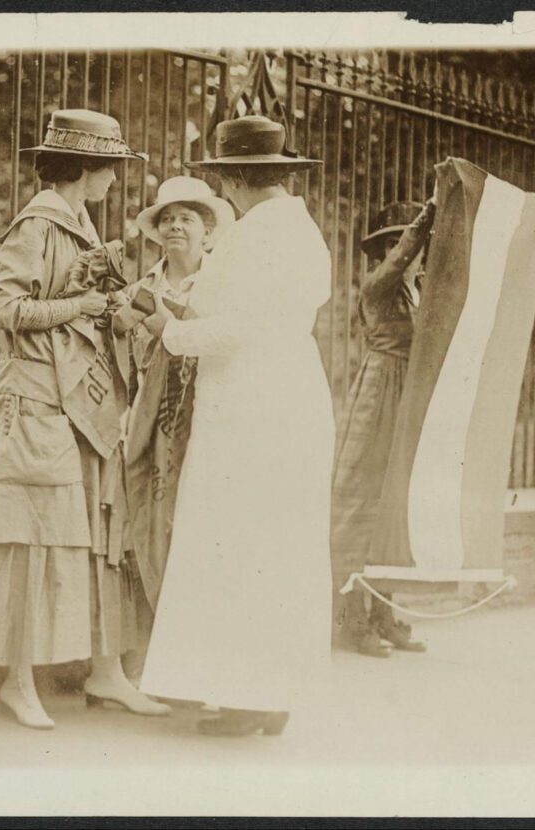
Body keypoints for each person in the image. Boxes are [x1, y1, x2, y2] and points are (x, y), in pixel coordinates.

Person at [0, 109, 170, 728]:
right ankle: (18, 684)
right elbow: (4, 308)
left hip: (84, 403)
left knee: (101, 537)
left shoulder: (81, 223)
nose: (115, 180)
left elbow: (85, 310)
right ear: (86, 167)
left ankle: (108, 674)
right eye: (111, 168)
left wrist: (118, 307)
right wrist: (86, 303)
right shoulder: (38, 224)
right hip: (38, 402)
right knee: (30, 538)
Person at [136, 115, 336, 737]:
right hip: (292, 394)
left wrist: (167, 330)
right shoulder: (303, 232)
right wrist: (181, 313)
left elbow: (238, 327)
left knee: (242, 542)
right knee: (278, 545)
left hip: (253, 403)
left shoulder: (255, 237)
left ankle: (249, 697)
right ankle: (270, 695)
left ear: (237, 180)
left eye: (223, 181)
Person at [116, 176, 235, 616]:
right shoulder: (139, 292)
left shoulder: (224, 285)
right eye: (167, 219)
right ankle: (153, 623)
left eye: (187, 218)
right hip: (151, 419)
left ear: (206, 229)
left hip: (207, 415)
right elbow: (125, 362)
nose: (175, 227)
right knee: (149, 515)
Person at [330, 200, 435, 657]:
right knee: (361, 504)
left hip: (408, 399)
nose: (402, 252)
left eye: (406, 242)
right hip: (378, 394)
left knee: (395, 508)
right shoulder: (377, 288)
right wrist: (425, 221)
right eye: (392, 244)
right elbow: (397, 265)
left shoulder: (423, 294)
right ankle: (352, 620)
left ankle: (383, 612)